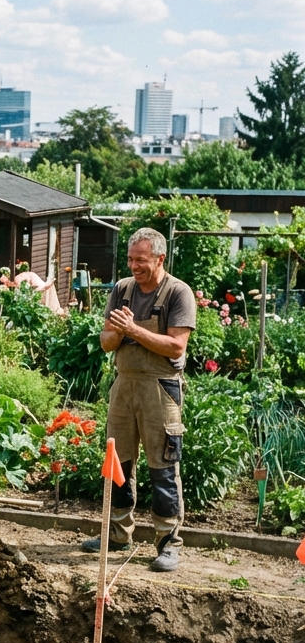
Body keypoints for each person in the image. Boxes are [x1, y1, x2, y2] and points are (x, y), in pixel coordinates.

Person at [81, 227, 196, 572]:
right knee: (119, 463)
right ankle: (118, 533)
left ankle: (168, 543)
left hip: (160, 388)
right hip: (124, 384)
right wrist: (117, 331)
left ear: (160, 258)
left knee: (163, 466)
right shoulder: (122, 290)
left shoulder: (178, 293)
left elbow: (176, 346)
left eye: (141, 260)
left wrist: (133, 330)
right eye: (130, 259)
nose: (134, 266)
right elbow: (105, 342)